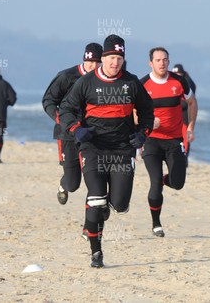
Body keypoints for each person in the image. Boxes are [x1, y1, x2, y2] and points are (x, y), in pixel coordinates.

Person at [59, 34, 154, 268]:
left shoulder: (131, 83)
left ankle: (111, 205)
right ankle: (96, 252)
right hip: (93, 148)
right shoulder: (87, 82)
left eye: (119, 58)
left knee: (120, 205)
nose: (115, 63)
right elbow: (68, 109)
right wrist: (76, 129)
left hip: (122, 150)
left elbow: (147, 112)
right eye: (111, 58)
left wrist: (142, 133)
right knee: (96, 200)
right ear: (103, 58)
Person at [140, 48, 197, 238]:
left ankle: (165, 180)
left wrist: (190, 126)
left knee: (178, 183)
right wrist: (147, 123)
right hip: (152, 142)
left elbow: (192, 102)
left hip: (174, 141)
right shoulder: (143, 85)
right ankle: (156, 223)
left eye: (165, 60)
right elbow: (133, 112)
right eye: (158, 60)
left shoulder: (179, 81)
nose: (162, 63)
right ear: (151, 63)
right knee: (155, 184)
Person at [42, 43, 103, 205]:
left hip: (91, 134)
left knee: (96, 173)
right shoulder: (66, 76)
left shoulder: (102, 79)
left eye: (98, 62)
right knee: (73, 184)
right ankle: (64, 185)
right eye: (91, 61)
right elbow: (48, 100)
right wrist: (60, 119)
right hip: (67, 134)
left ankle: (100, 203)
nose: (94, 66)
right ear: (84, 59)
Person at [171, 64, 197, 166]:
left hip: (185, 112)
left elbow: (190, 101)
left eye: (179, 73)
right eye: (175, 73)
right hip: (177, 113)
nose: (177, 75)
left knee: (186, 136)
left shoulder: (188, 82)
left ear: (183, 73)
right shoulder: (173, 81)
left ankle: (184, 159)